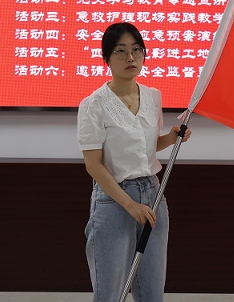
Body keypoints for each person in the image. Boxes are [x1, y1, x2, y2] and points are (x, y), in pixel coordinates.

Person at [77, 22, 191, 302]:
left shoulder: (152, 96)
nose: (130, 57)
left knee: (152, 293)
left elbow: (144, 147)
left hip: (152, 196)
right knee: (109, 294)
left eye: (136, 50)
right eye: (121, 51)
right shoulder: (94, 104)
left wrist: (171, 137)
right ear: (107, 58)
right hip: (114, 201)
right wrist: (130, 205)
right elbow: (94, 165)